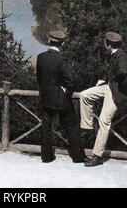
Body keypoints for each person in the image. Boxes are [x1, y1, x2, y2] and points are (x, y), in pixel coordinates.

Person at [80, 32, 127, 167]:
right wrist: (105, 79)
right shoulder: (113, 55)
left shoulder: (122, 56)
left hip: (116, 92)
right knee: (85, 95)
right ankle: (87, 126)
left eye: (105, 42)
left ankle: (97, 156)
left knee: (104, 121)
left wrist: (111, 78)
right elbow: (113, 72)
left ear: (108, 45)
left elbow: (123, 72)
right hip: (109, 87)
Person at [36, 30, 86, 163]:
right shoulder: (62, 59)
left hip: (46, 97)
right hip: (61, 99)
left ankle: (46, 156)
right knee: (73, 126)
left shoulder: (41, 57)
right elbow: (72, 81)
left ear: (49, 41)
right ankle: (78, 157)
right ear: (62, 43)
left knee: (46, 126)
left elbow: (39, 78)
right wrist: (63, 89)